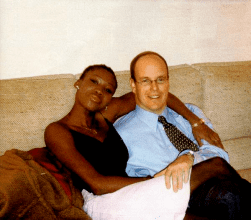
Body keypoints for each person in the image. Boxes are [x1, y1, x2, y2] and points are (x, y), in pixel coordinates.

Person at [43, 64, 223, 219]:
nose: (99, 91)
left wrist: (194, 122)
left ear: (110, 98)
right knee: (215, 165)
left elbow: (157, 95)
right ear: (78, 83)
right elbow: (97, 184)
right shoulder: (57, 130)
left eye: (108, 90)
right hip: (103, 202)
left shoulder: (106, 115)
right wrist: (153, 179)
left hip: (134, 193)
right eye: (94, 81)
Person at [114, 51, 251, 219]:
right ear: (133, 85)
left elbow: (220, 155)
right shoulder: (121, 133)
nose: (154, 88)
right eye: (145, 81)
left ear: (168, 82)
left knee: (233, 191)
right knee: (230, 194)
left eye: (160, 80)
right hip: (177, 198)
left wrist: (189, 158)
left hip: (219, 182)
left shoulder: (192, 113)